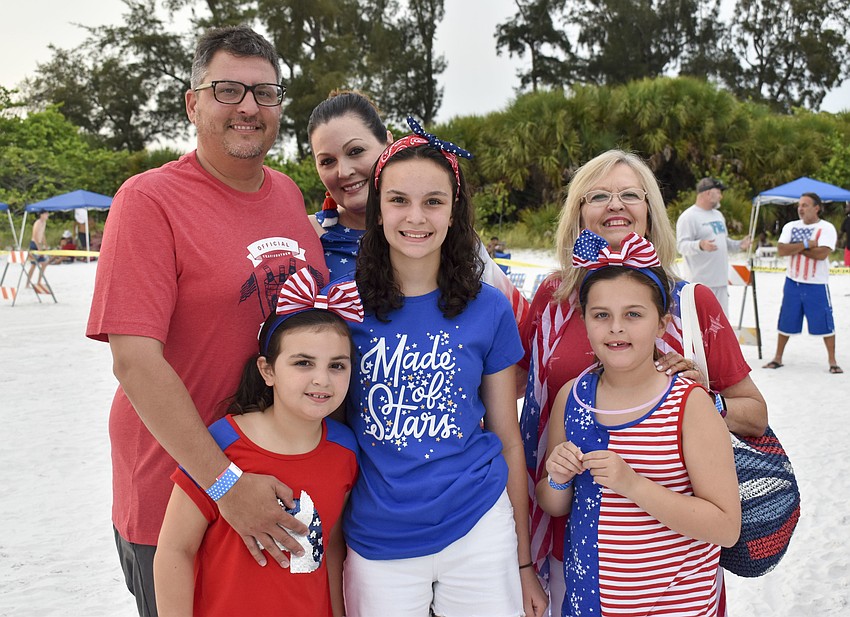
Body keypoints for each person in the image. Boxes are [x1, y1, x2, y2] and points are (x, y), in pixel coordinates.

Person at [86, 26, 328, 616]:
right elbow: (135, 361)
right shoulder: (149, 201)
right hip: (178, 491)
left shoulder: (288, 198)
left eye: (264, 93)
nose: (248, 106)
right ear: (193, 103)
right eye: (227, 90)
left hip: (273, 490)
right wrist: (225, 486)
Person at [518, 150, 766, 615]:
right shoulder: (554, 297)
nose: (615, 204)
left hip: (670, 560)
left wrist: (702, 404)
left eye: (630, 194)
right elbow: (510, 384)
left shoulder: (690, 303)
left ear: (650, 210)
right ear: (579, 212)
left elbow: (754, 413)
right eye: (599, 195)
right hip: (567, 535)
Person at [342, 120, 547, 617]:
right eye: (399, 200)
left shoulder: (489, 308)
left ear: (454, 211)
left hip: (479, 527)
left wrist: (522, 564)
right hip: (378, 538)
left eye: (433, 201)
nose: (416, 217)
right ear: (377, 209)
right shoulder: (344, 308)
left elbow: (508, 436)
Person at [536, 231, 741, 616]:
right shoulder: (572, 397)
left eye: (633, 314)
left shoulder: (689, 405)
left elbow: (726, 526)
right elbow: (554, 504)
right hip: (589, 603)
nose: (616, 327)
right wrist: (558, 477)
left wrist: (632, 484)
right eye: (601, 315)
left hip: (678, 605)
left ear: (662, 324)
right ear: (585, 321)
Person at [154, 269, 361, 617]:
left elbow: (332, 548)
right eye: (303, 363)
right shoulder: (221, 444)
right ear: (268, 371)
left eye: (337, 365)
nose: (322, 379)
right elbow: (176, 550)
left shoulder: (345, 450)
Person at [306, 89, 529, 324]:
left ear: (388, 143)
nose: (344, 171)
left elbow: (515, 322)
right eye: (327, 161)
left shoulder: (445, 234)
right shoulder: (307, 235)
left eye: (356, 151)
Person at [763, 192, 842, 373]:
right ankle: (777, 358)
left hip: (817, 284)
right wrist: (807, 244)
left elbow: (822, 254)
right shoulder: (791, 226)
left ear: (817, 208)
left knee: (825, 322)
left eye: (805, 205)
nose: (801, 208)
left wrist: (795, 248)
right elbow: (782, 250)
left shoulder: (826, 228)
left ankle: (832, 361)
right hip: (793, 282)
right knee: (786, 320)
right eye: (800, 205)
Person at [676, 177, 751, 316]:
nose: (721, 196)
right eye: (719, 192)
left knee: (721, 325)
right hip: (699, 285)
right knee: (701, 327)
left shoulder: (718, 215)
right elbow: (681, 246)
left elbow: (724, 242)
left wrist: (740, 244)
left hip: (721, 283)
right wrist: (700, 244)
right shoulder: (688, 217)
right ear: (708, 193)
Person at [26, 210, 50, 286]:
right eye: (46, 214)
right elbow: (35, 235)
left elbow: (42, 235)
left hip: (39, 244)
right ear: (41, 215)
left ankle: (39, 281)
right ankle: (27, 283)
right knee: (33, 265)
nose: (47, 215)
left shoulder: (44, 223)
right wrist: (39, 247)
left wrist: (45, 245)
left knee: (44, 263)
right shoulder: (37, 223)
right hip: (34, 244)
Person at [840, 202, 850, 267]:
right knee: (848, 270)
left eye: (847, 207)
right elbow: (840, 233)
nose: (845, 209)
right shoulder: (846, 220)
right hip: (848, 248)